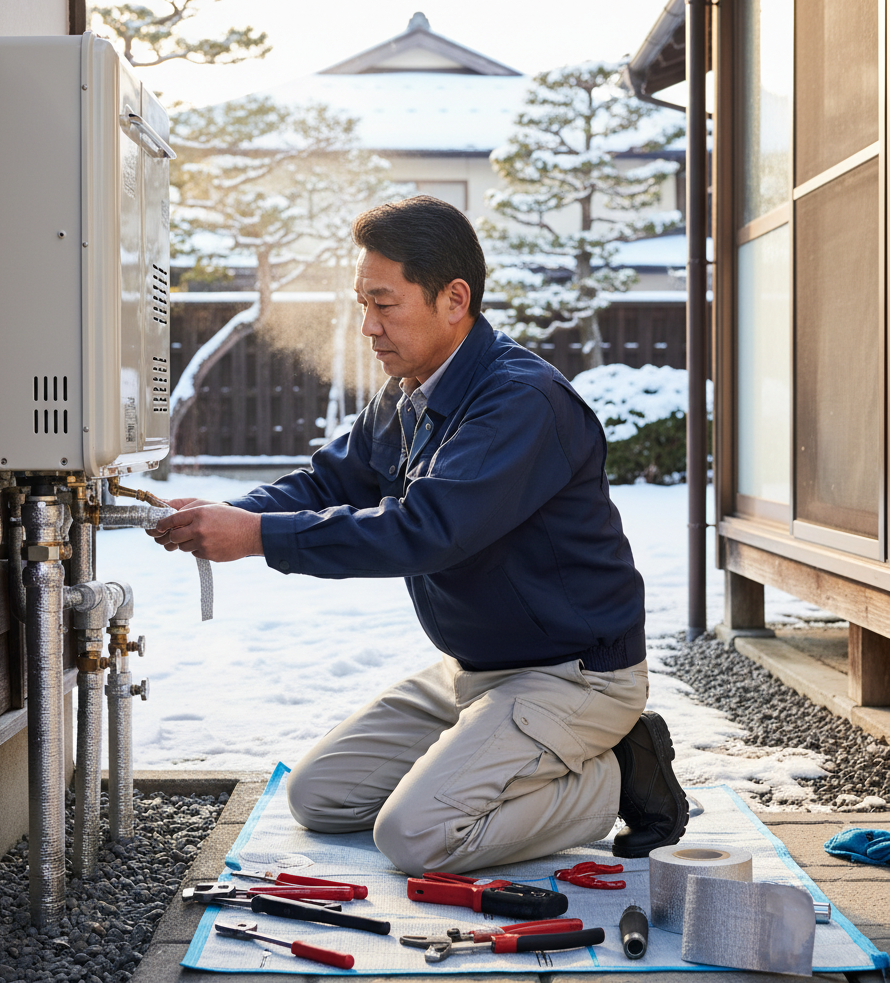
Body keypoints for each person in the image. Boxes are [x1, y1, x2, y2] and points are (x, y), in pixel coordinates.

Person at [150, 195, 688, 876]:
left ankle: (618, 773)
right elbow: (329, 481)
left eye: (384, 303)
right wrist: (228, 513)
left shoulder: (520, 401)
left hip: (573, 675)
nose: (368, 326)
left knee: (415, 837)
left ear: (454, 299)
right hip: (472, 671)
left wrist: (257, 536)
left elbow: (427, 531)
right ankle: (505, 757)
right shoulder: (409, 392)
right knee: (319, 796)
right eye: (362, 303)